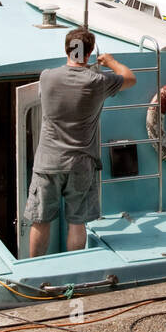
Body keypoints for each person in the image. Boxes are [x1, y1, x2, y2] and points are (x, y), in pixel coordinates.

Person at [25, 27, 136, 257]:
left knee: (40, 220)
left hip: (48, 163)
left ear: (67, 49)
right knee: (77, 224)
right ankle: (72, 268)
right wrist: (111, 61)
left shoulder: (46, 77)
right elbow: (130, 78)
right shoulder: (98, 81)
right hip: (81, 164)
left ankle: (35, 269)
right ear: (89, 53)